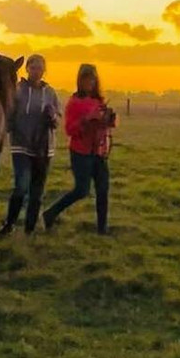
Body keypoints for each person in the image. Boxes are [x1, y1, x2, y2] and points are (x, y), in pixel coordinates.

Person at [42, 63, 116, 234]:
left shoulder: (99, 101)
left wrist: (109, 120)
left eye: (92, 79)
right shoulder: (74, 103)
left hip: (99, 151)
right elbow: (69, 130)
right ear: (80, 81)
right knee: (81, 190)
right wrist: (87, 119)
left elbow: (105, 126)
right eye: (86, 79)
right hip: (81, 152)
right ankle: (50, 213)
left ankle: (102, 229)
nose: (89, 83)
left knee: (103, 190)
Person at [0, 54, 60, 236]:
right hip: (21, 144)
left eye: (40, 68)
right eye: (33, 68)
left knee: (37, 191)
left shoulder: (50, 93)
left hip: (43, 147)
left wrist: (52, 116)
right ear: (27, 69)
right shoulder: (18, 90)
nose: (36, 71)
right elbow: (8, 113)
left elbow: (57, 118)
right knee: (21, 186)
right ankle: (9, 223)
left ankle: (29, 230)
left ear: (44, 71)